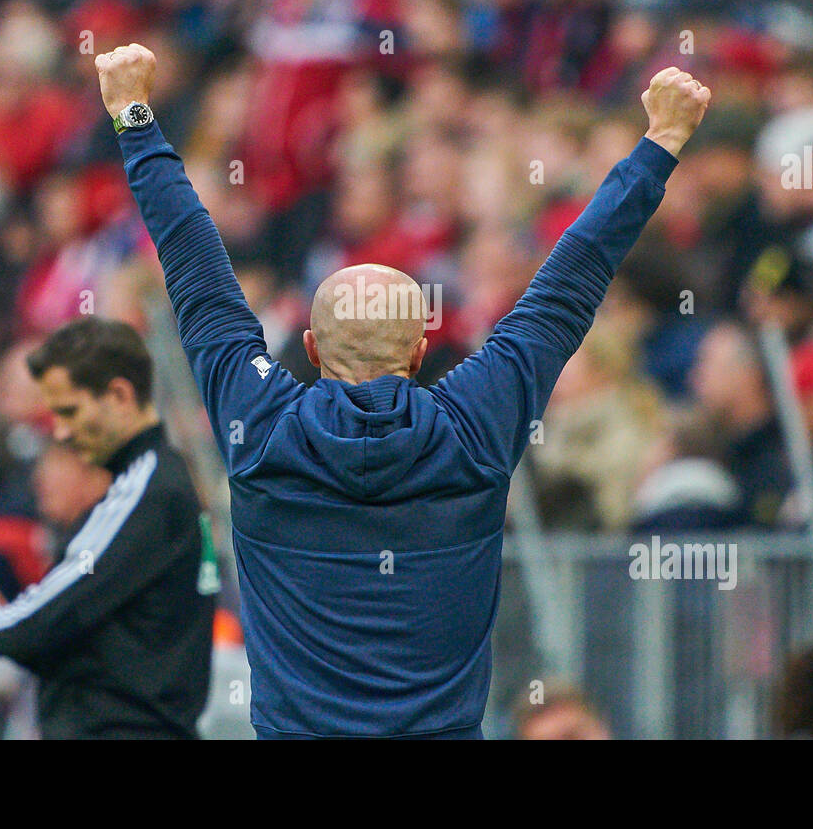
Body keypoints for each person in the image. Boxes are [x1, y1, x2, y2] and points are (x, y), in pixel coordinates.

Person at [94, 42, 709, 737]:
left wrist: (134, 115)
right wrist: (660, 142)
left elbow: (193, 263)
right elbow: (572, 280)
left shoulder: (259, 424)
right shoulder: (473, 424)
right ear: (420, 353)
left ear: (312, 349)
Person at [0, 318, 217, 739]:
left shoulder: (148, 488)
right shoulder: (151, 482)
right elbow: (83, 633)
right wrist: (7, 623)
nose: (62, 431)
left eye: (70, 412)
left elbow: (53, 613)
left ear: (119, 395)